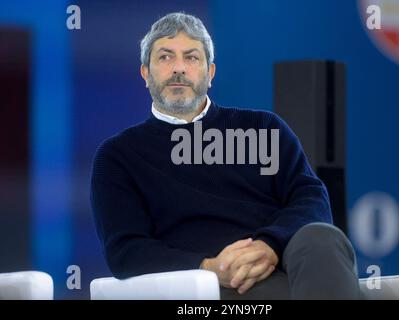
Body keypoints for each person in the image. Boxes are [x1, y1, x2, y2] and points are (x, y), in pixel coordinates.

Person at [90, 12, 361, 299]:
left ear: (210, 73)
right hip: (210, 287)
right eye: (165, 57)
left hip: (285, 263)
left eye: (192, 58)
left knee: (322, 237)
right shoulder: (119, 155)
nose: (179, 68)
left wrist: (269, 245)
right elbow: (126, 250)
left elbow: (311, 199)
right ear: (145, 73)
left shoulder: (263, 128)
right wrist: (209, 268)